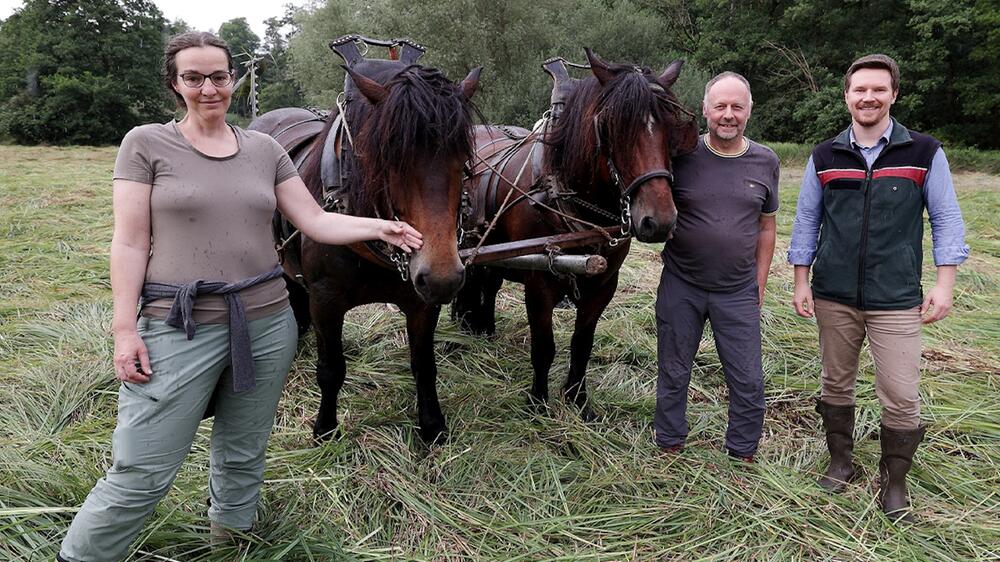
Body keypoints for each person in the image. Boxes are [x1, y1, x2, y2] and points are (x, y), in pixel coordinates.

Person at [57, 32, 422, 562]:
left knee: (244, 449)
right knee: (142, 467)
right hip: (177, 323)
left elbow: (315, 219)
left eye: (220, 76)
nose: (209, 88)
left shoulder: (263, 148)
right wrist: (123, 329)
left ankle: (230, 543)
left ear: (234, 80)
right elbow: (130, 241)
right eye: (194, 77)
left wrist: (382, 227)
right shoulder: (146, 144)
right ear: (175, 83)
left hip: (268, 324)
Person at [788, 54, 968, 523]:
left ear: (893, 95)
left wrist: (944, 283)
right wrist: (801, 280)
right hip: (833, 295)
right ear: (846, 96)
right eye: (859, 90)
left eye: (878, 90)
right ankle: (841, 462)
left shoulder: (924, 152)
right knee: (834, 382)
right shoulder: (824, 156)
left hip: (897, 298)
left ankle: (895, 480)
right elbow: (807, 220)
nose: (868, 97)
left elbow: (946, 218)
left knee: (902, 394)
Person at [653, 72, 779, 462]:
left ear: (749, 111)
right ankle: (669, 441)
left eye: (736, 107)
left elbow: (766, 227)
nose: (728, 115)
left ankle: (741, 452)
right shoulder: (682, 157)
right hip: (681, 284)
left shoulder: (766, 161)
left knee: (747, 379)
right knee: (673, 371)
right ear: (705, 109)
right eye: (720, 106)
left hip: (737, 290)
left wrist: (758, 284)